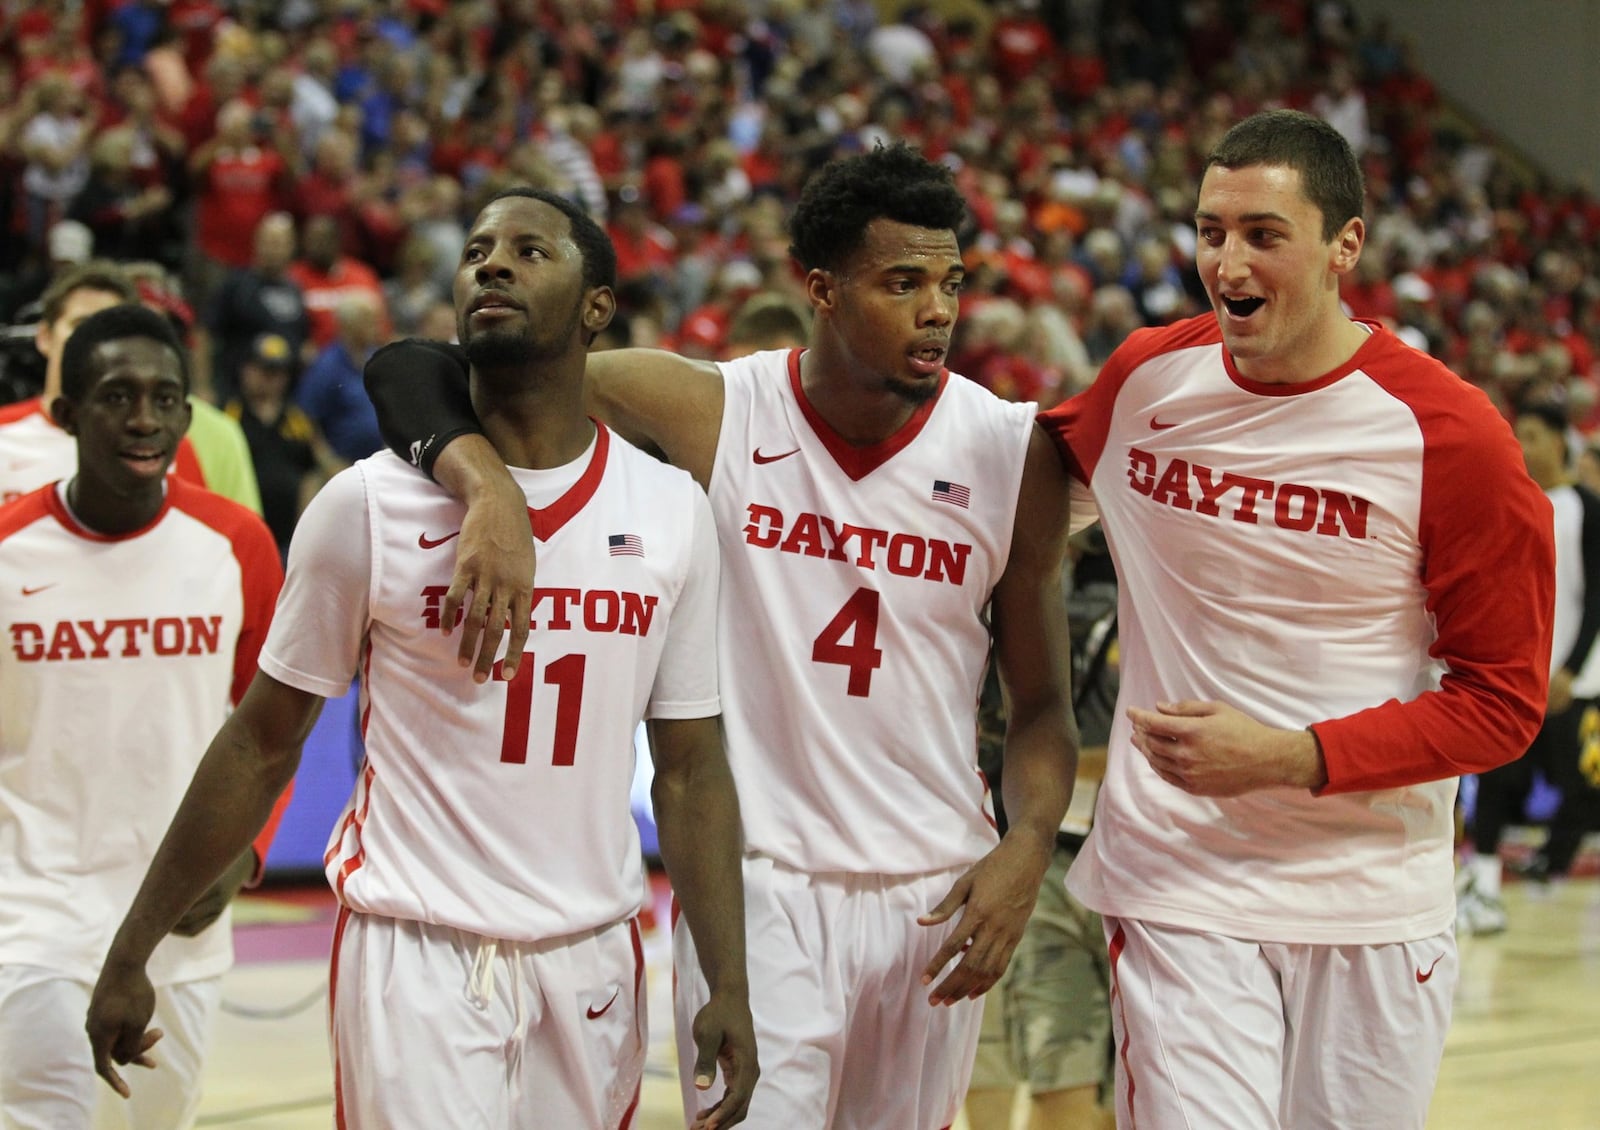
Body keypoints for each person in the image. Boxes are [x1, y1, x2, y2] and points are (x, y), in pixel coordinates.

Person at [362, 143, 1078, 1128]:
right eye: (901, 282)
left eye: (950, 282)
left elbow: (1041, 705)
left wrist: (1028, 841)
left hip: (936, 888)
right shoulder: (715, 409)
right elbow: (418, 366)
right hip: (760, 886)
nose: (938, 309)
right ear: (820, 289)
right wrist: (482, 483)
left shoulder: (1009, 450)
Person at [86, 188, 758, 1130]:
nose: (492, 264)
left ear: (598, 305)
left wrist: (726, 980)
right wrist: (135, 946)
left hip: (594, 953)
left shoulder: (670, 509)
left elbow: (689, 767)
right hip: (417, 952)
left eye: (531, 251)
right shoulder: (367, 506)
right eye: (478, 249)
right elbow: (261, 741)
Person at [1036, 109, 1554, 1129]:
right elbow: (1006, 508)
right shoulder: (1144, 379)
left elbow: (1501, 703)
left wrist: (1291, 755)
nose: (1226, 259)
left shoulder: (1450, 438)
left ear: (1342, 244)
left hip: (1369, 896)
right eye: (1209, 230)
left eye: (1262, 234)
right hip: (1177, 880)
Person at [0, 303, 287, 1129]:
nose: (144, 419)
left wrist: (248, 851)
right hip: (36, 913)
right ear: (66, 416)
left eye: (166, 399)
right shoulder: (10, 549)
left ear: (188, 416)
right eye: (117, 396)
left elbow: (274, 729)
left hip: (182, 917)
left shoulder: (238, 546)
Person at [964, 530, 1117, 1130]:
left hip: (1063, 852)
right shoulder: (992, 582)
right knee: (1023, 1057)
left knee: (1092, 1073)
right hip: (1014, 854)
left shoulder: (1105, 597)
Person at [1459, 398, 1600, 932]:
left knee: (1583, 788)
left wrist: (1569, 668)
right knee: (1496, 783)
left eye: (1535, 436)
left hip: (1574, 683)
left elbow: (1595, 600)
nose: (1525, 446)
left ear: (1562, 440)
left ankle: (1549, 868)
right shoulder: (1515, 501)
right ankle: (1485, 891)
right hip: (1517, 678)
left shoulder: (1588, 508)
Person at [0, 262, 208, 505]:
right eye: (80, 325)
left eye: (109, 329)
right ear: (45, 337)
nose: (95, 342)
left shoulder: (165, 446)